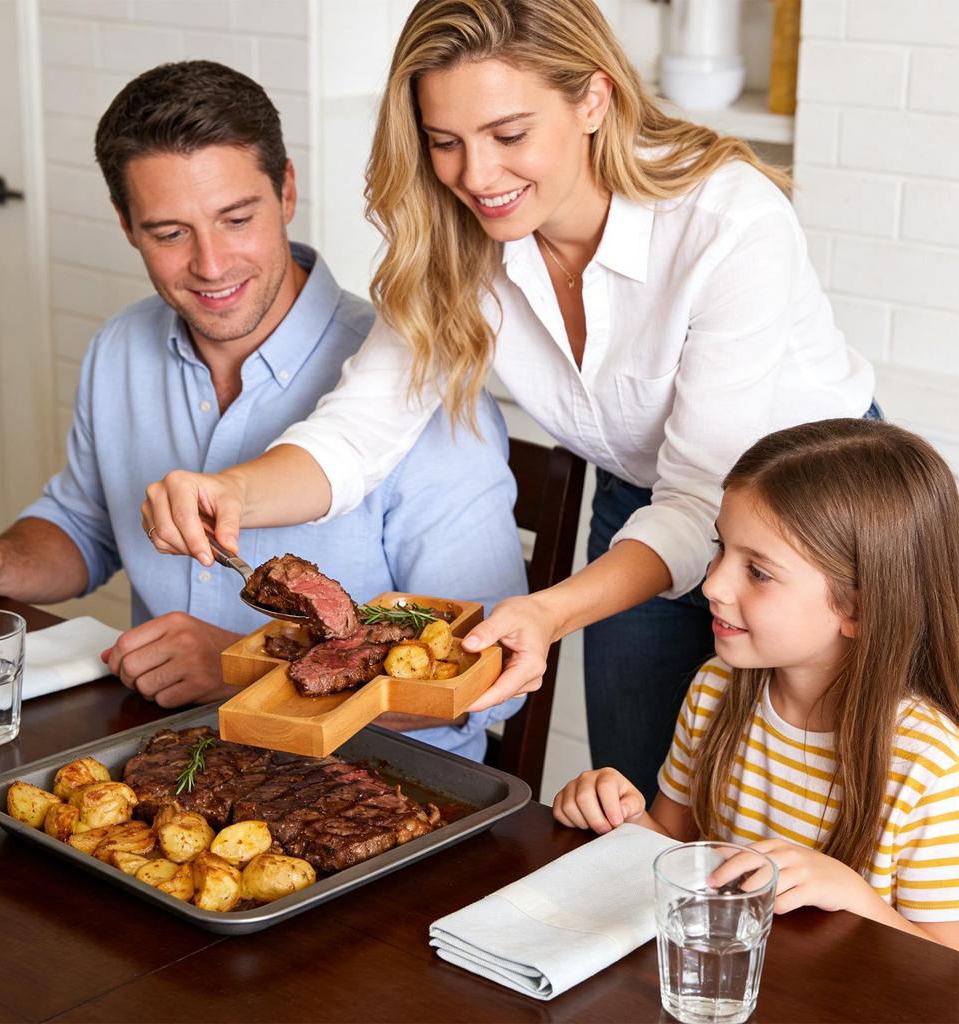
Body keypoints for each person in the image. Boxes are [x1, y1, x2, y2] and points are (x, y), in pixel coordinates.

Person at [139, 0, 875, 799]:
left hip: (819, 535)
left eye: (509, 135)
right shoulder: (458, 236)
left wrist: (550, 612)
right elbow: (356, 436)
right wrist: (233, 490)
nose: (476, 176)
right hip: (643, 508)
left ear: (593, 99)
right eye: (444, 142)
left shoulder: (727, 221)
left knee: (804, 816)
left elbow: (703, 494)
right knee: (638, 794)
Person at [0, 60, 528, 762]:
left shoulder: (422, 392)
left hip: (381, 789)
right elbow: (87, 524)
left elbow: (490, 680)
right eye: (169, 233)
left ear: (286, 191)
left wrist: (245, 667)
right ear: (126, 225)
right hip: (167, 759)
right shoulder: (121, 348)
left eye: (236, 218)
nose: (211, 265)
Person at [553, 418, 959, 949]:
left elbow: (943, 970)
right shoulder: (715, 689)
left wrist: (853, 896)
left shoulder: (929, 765)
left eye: (759, 572)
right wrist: (621, 815)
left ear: (857, 607)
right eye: (720, 549)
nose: (713, 583)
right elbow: (675, 854)